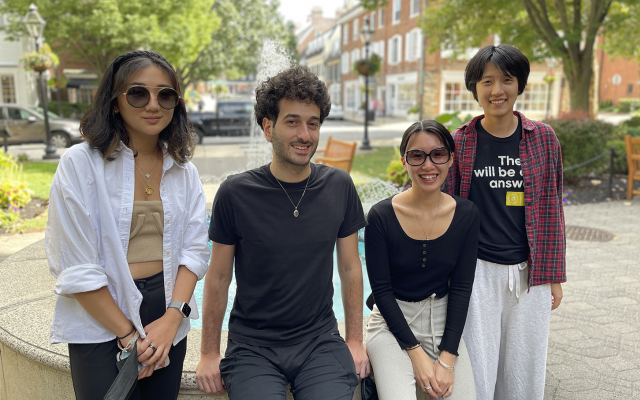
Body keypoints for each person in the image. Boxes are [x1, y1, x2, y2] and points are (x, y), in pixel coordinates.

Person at [196, 65, 370, 400]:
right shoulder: (236, 193)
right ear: (267, 126)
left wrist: (354, 341)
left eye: (313, 123)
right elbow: (218, 276)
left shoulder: (339, 186)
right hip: (252, 346)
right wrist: (208, 353)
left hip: (319, 342)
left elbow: (350, 267)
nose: (304, 134)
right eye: (292, 122)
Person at [45, 50, 210, 399]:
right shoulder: (80, 164)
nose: (153, 104)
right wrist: (128, 336)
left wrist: (171, 319)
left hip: (166, 314)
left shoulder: (184, 171)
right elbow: (77, 267)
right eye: (138, 93)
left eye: (165, 95)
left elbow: (194, 251)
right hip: (101, 316)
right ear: (115, 101)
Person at [446, 44, 566, 400]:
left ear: (519, 85)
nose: (497, 90)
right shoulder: (460, 142)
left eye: (506, 80)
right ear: (475, 88)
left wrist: (554, 276)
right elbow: (441, 205)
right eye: (487, 81)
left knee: (525, 368)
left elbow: (552, 207)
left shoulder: (543, 139)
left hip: (529, 271)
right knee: (477, 366)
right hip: (476, 269)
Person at [365, 120, 479, 399]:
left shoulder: (466, 214)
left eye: (438, 154)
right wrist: (416, 354)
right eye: (417, 156)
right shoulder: (381, 217)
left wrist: (448, 357)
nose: (428, 165)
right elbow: (381, 291)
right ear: (404, 161)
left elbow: (462, 288)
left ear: (451, 159)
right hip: (392, 325)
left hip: (442, 323)